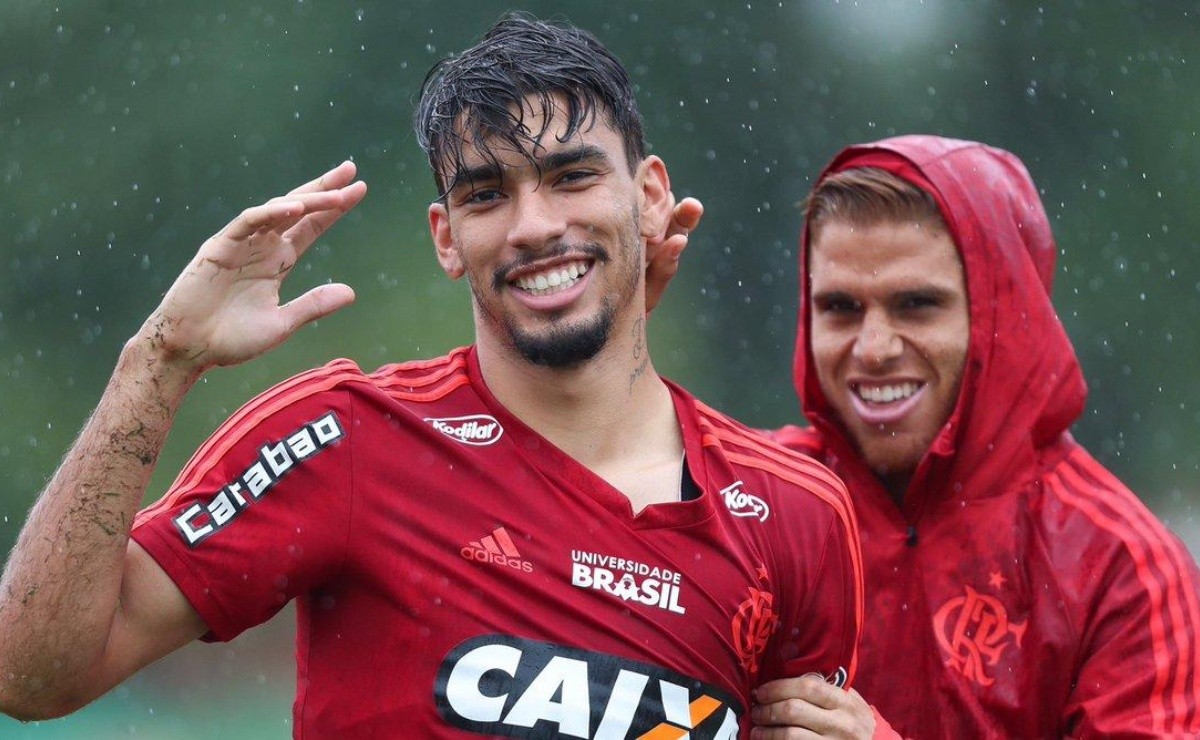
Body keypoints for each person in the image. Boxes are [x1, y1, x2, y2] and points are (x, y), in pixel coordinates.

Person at [0, 15, 868, 738]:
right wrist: (158, 359)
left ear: (647, 196)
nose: (534, 225)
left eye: (571, 177)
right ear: (446, 237)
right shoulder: (343, 437)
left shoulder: (795, 513)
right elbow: (30, 677)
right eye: (487, 194)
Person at [653, 135, 1200, 737]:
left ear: (1000, 313)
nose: (874, 348)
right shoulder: (745, 502)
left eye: (916, 305)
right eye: (840, 308)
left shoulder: (1122, 568)